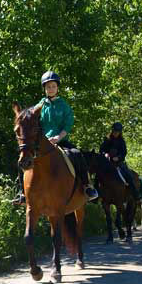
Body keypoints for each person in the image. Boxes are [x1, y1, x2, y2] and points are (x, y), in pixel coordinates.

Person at [12, 71, 98, 204]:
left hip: (60, 141)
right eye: (48, 87)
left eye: (53, 86)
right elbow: (30, 117)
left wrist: (58, 137)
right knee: (24, 158)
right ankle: (22, 192)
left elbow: (68, 124)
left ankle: (87, 187)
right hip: (41, 143)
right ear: (44, 89)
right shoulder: (41, 104)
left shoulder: (64, 106)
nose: (50, 89)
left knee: (77, 154)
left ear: (57, 88)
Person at [99, 121, 140, 200]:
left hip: (118, 162)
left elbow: (124, 152)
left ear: (120, 132)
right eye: (114, 131)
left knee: (128, 175)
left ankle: (135, 193)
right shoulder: (107, 139)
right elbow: (101, 149)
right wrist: (105, 154)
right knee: (98, 174)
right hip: (107, 162)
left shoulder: (121, 141)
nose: (115, 133)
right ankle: (96, 193)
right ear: (112, 130)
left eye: (117, 132)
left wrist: (118, 157)